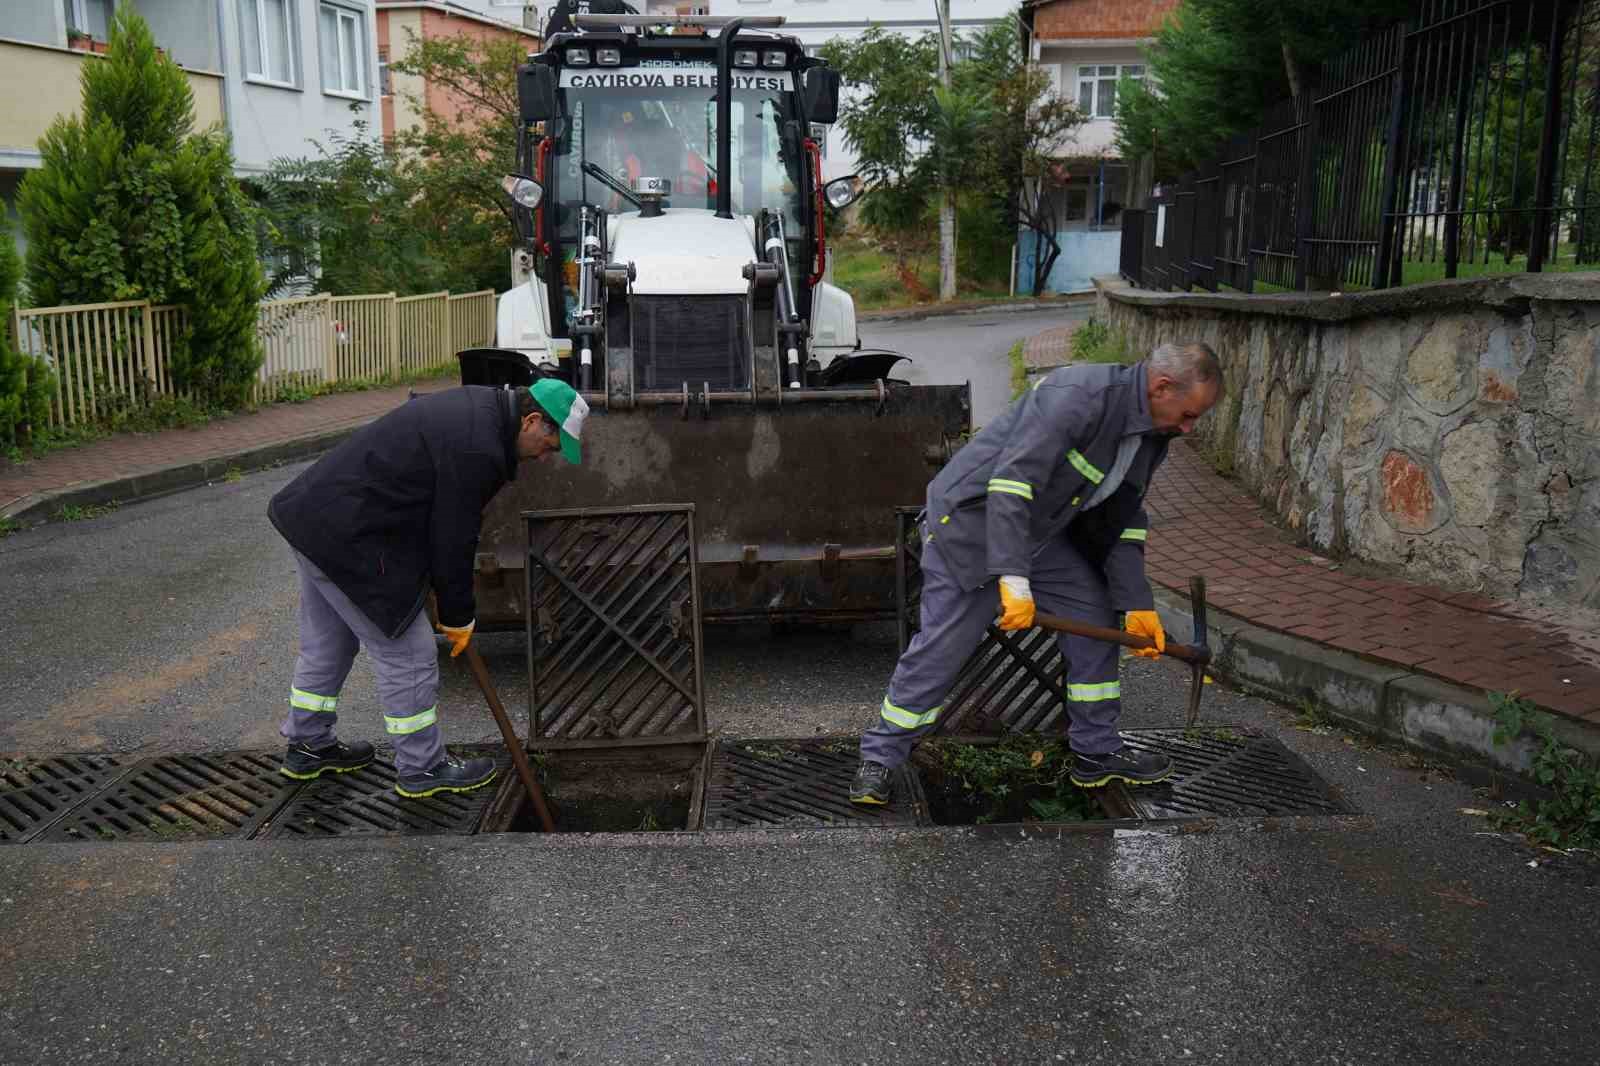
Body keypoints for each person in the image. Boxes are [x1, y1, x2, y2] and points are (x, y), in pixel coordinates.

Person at [850, 342, 1224, 805]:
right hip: (972, 528)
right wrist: (1012, 579)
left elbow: (1122, 516)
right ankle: (880, 757)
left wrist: (1136, 602)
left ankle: (1096, 750)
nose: (1189, 428)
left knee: (1097, 619)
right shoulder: (1078, 396)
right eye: (1189, 414)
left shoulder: (1153, 434)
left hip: (1042, 533)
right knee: (942, 650)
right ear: (1162, 387)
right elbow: (1010, 485)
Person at [269, 380, 589, 798]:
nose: (549, 455)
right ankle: (422, 768)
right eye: (552, 442)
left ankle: (308, 744)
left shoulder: (482, 409)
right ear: (531, 420)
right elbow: (452, 537)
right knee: (410, 652)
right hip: (349, 534)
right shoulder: (480, 448)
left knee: (329, 641)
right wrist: (458, 615)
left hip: (312, 516)